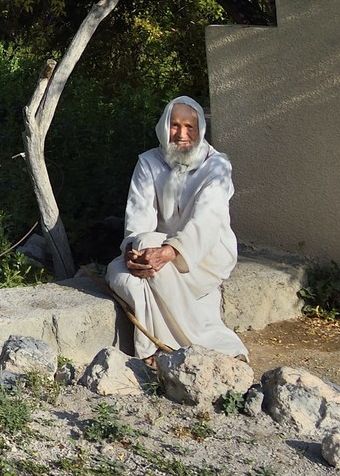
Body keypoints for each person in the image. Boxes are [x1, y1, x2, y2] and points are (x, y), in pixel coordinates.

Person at [106, 95, 248, 362]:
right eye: (175, 126)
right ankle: (161, 349)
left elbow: (207, 220)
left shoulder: (217, 166)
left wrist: (171, 251)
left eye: (189, 127)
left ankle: (166, 349)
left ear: (200, 130)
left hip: (203, 255)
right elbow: (138, 216)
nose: (182, 134)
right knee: (120, 274)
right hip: (157, 250)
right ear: (164, 127)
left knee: (148, 277)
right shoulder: (148, 162)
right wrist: (133, 251)